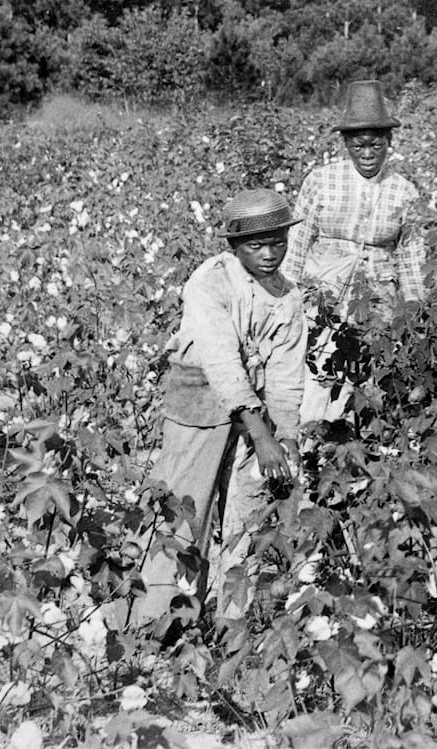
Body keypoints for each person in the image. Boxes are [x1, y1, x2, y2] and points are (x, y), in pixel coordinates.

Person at [137, 189, 306, 631]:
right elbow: (221, 361)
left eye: (278, 243)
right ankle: (155, 621)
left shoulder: (288, 297)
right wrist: (262, 434)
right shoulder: (209, 281)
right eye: (256, 245)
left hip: (259, 412)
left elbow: (287, 376)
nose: (270, 254)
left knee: (245, 516)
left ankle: (230, 619)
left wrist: (284, 435)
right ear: (233, 246)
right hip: (200, 401)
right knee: (185, 510)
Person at [282, 79, 425, 423]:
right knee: (319, 370)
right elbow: (297, 244)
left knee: (368, 375)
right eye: (358, 145)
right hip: (324, 298)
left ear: (389, 143)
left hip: (377, 299)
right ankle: (310, 440)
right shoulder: (321, 181)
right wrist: (285, 299)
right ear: (346, 144)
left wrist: (414, 313)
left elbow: (410, 259)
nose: (367, 152)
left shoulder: (403, 192)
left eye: (376, 144)